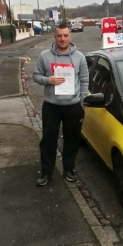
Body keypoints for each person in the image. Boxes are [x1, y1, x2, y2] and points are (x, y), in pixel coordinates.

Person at [33, 23, 89, 186]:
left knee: (72, 139)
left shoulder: (79, 57)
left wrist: (83, 101)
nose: (62, 39)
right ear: (55, 37)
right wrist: (48, 80)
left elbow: (85, 80)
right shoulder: (45, 56)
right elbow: (36, 76)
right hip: (51, 106)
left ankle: (69, 169)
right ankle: (46, 172)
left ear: (70, 37)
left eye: (65, 36)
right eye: (59, 36)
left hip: (73, 106)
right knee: (49, 140)